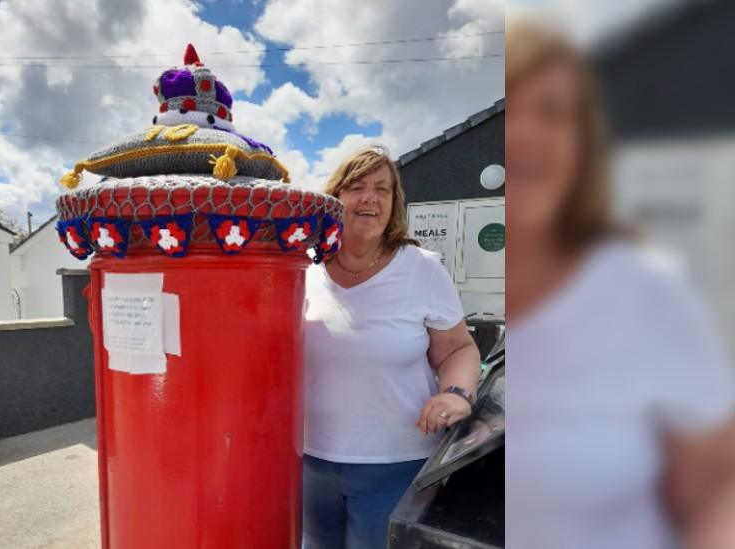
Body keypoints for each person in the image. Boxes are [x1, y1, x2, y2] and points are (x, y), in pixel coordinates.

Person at [506, 20, 735, 549]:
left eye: (552, 112)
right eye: (510, 104)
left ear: (583, 146)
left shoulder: (648, 292)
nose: (524, 131)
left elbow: (717, 490)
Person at [302, 146, 481, 549]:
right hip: (309, 459)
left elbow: (458, 349)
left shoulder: (422, 268)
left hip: (396, 463)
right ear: (334, 198)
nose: (370, 197)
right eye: (357, 186)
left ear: (394, 204)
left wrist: (455, 393)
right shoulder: (303, 268)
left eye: (383, 189)